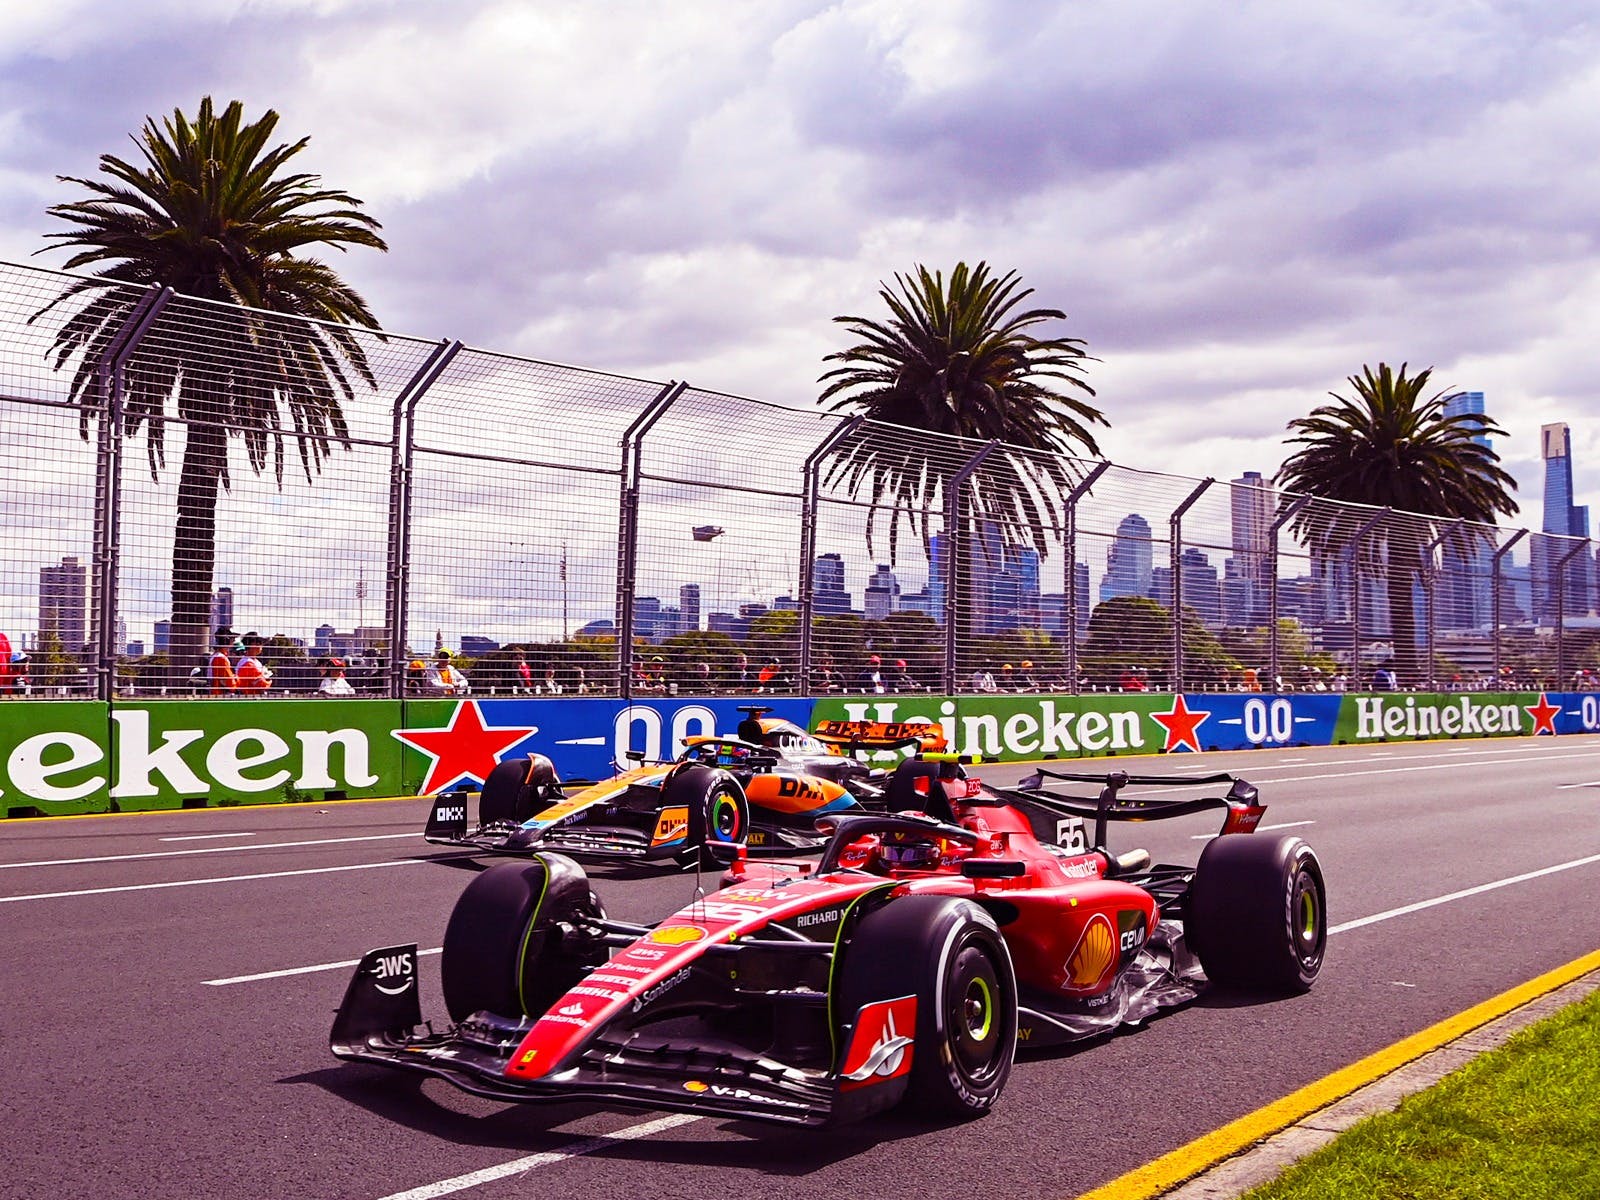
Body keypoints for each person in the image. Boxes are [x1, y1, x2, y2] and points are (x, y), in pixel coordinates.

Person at [209, 630, 238, 695]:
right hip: (221, 694)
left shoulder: (217, 656)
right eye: (232, 639)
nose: (234, 641)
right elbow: (227, 681)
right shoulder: (220, 658)